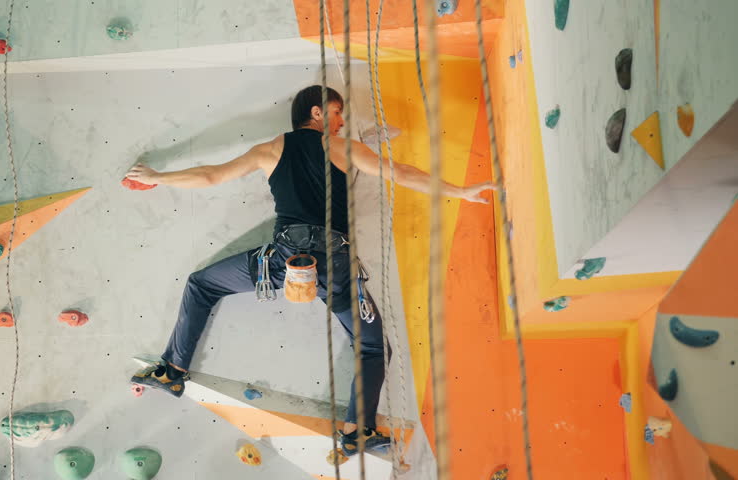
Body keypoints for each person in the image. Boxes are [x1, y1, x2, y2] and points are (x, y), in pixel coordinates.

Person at [125, 85, 496, 456]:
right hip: (333, 265)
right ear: (317, 113)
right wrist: (460, 192)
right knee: (371, 347)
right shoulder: (343, 148)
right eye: (337, 112)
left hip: (281, 262)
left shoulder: (269, 149)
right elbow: (400, 173)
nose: (342, 121)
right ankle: (357, 432)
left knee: (201, 285)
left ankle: (171, 372)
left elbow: (209, 177)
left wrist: (157, 177)